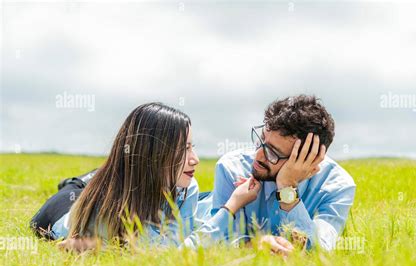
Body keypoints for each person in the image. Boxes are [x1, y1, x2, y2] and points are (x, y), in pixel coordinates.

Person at [29, 102, 263, 251]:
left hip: (140, 185)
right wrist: (231, 206)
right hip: (64, 209)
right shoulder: (105, 207)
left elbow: (177, 242)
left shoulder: (187, 187)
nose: (195, 159)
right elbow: (169, 252)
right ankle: (90, 177)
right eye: (184, 149)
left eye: (193, 147)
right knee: (80, 185)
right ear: (152, 154)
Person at [196, 94, 356, 252]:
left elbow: (319, 250)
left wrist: (287, 188)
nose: (257, 155)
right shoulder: (232, 167)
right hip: (200, 212)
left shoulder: (338, 187)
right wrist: (254, 246)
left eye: (273, 153)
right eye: (261, 140)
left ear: (308, 160)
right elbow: (220, 244)